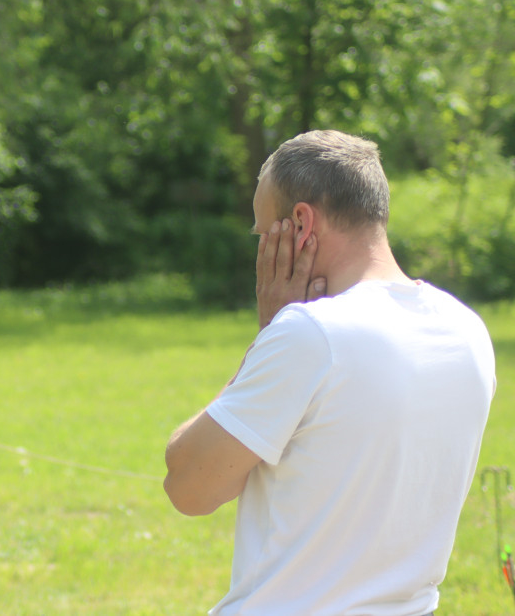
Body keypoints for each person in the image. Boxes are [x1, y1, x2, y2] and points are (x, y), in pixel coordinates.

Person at [163, 130, 495, 615]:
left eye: (262, 233)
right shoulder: (467, 330)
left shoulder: (308, 335)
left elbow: (188, 485)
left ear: (299, 223)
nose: (259, 251)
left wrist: (267, 336)